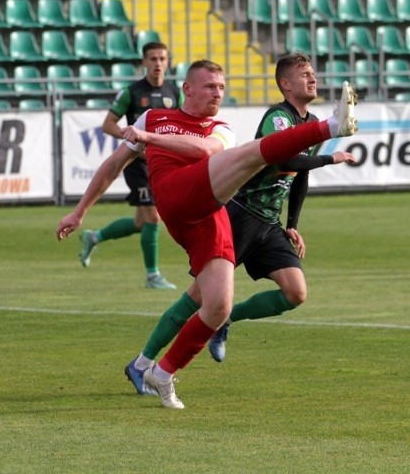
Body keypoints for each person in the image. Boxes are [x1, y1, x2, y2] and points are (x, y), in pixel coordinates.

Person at [56, 59, 358, 409]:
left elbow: (207, 151)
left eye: (222, 87)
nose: (218, 92)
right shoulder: (153, 117)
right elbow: (112, 166)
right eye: (211, 86)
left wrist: (148, 139)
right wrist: (79, 211)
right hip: (176, 195)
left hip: (210, 214)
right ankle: (332, 125)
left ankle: (162, 373)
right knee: (252, 154)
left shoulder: (219, 128)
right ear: (187, 89)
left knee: (217, 307)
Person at [78, 42, 181, 290]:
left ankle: (94, 236)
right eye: (153, 59)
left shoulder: (174, 91)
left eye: (162, 59)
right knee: (153, 218)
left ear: (167, 62)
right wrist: (133, 138)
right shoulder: (132, 92)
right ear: (144, 62)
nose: (158, 63)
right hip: (138, 163)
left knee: (140, 223)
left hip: (162, 161)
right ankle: (152, 276)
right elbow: (108, 124)